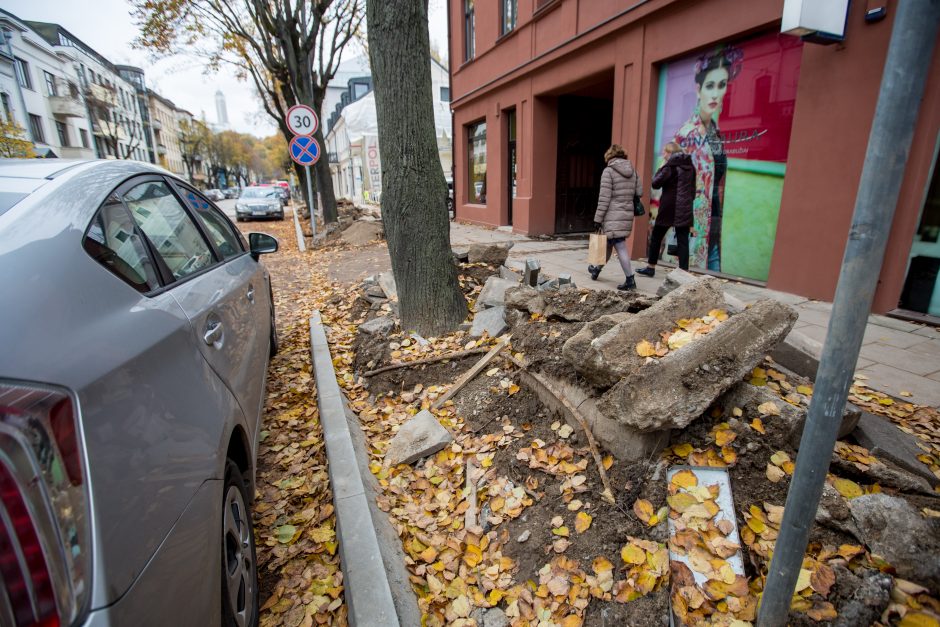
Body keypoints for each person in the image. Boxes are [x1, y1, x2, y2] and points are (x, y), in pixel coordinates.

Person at [674, 46, 742, 271]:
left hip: (714, 219)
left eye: (722, 85)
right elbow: (670, 181)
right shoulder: (687, 134)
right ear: (698, 89)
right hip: (692, 223)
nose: (715, 93)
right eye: (710, 85)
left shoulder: (716, 133)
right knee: (692, 281)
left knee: (710, 281)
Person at [587, 144, 642, 290]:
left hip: (612, 214)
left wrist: (597, 218)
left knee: (620, 246)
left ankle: (630, 279)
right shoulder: (633, 171)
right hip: (626, 213)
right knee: (609, 244)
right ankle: (596, 269)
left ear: (609, 156)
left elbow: (604, 198)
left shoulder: (609, 171)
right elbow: (639, 192)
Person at [637, 142, 694, 276]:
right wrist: (687, 203)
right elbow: (692, 189)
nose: (663, 154)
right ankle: (684, 273)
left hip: (669, 207)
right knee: (683, 240)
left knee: (657, 236)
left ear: (671, 154)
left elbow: (655, 183)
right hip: (684, 207)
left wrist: (662, 167)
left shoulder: (669, 167)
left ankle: (651, 267)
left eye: (666, 152)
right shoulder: (690, 167)